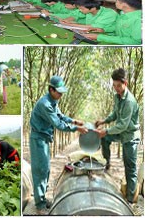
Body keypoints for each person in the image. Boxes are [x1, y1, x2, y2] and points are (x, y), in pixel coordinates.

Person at [29, 75, 88, 214]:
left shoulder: (53, 101)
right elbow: (58, 124)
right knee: (40, 171)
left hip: (44, 138)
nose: (61, 95)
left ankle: (42, 199)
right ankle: (39, 205)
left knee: (46, 169)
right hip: (38, 139)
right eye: (59, 92)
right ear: (51, 89)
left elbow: (61, 116)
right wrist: (77, 129)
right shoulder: (45, 104)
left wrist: (74, 121)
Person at [94, 68, 140, 204]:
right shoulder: (117, 97)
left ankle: (131, 201)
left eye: (118, 86)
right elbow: (115, 115)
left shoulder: (129, 101)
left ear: (125, 83)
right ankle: (107, 163)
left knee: (130, 168)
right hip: (120, 132)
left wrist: (106, 131)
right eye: (114, 86)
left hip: (130, 136)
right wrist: (104, 121)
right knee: (104, 138)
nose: (116, 89)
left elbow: (123, 125)